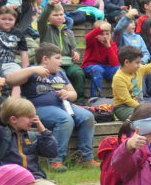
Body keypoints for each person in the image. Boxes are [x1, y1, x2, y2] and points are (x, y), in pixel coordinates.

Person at [6, 43, 97, 171]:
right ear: (45, 59)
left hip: (64, 106)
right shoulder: (31, 70)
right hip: (39, 108)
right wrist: (32, 70)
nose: (61, 61)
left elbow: (74, 94)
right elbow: (10, 80)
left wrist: (67, 93)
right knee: (65, 120)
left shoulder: (61, 73)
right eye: (58, 58)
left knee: (87, 116)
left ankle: (85, 157)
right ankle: (55, 160)